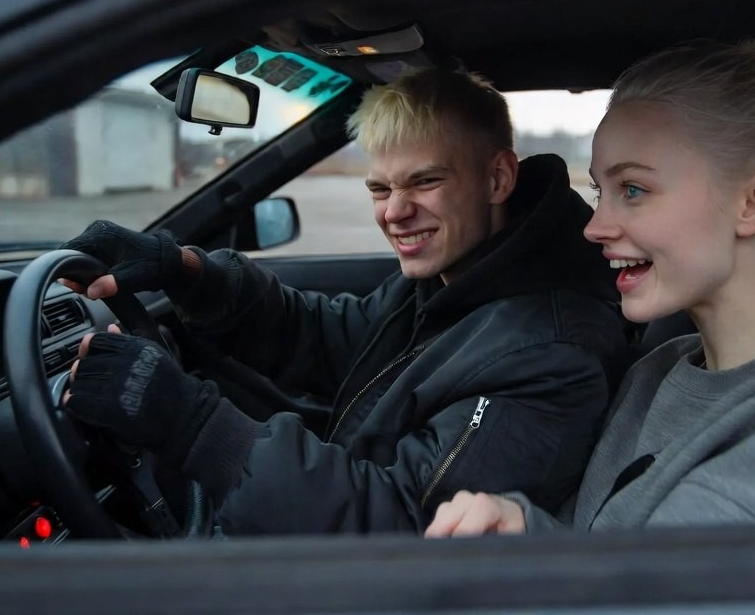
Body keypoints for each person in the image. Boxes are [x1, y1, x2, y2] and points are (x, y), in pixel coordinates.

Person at [425, 40, 755, 537]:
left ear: (754, 202)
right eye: (599, 192)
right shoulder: (658, 372)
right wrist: (525, 531)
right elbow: (615, 558)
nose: (595, 227)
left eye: (633, 189)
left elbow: (663, 593)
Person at [60, 68, 628, 535]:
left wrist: (190, 423)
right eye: (380, 188)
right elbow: (331, 337)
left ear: (498, 179)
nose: (394, 212)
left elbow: (398, 520)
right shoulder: (455, 278)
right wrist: (184, 271)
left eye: (424, 182)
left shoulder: (551, 352)